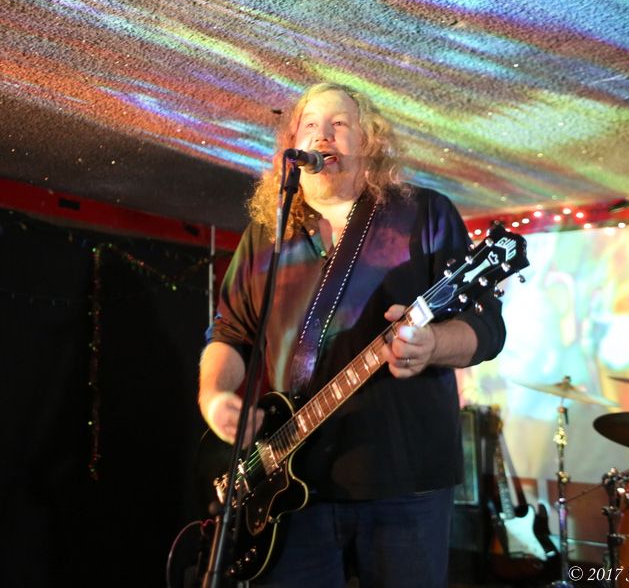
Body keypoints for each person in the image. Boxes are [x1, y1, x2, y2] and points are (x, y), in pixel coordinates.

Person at [197, 82, 506, 587]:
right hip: (287, 489)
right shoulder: (266, 233)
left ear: (369, 141)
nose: (322, 137)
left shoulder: (424, 214)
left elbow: (486, 326)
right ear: (292, 146)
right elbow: (229, 332)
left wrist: (433, 345)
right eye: (310, 125)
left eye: (339, 124)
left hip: (404, 483)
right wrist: (213, 398)